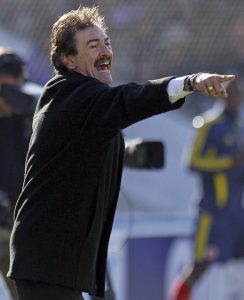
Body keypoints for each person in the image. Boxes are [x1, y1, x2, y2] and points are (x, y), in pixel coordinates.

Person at [7, 6, 235, 300]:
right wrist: (189, 82)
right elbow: (129, 99)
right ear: (68, 59)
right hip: (47, 257)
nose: (105, 50)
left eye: (107, 42)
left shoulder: (80, 99)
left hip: (54, 258)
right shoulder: (72, 94)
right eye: (93, 45)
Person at [169, 80, 244, 300]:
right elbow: (192, 162)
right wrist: (227, 162)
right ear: (220, 96)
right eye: (230, 94)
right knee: (199, 266)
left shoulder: (238, 128)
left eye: (238, 95)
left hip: (236, 212)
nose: (235, 99)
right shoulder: (208, 124)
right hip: (212, 213)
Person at [0, 48, 37, 300]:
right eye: (6, 76)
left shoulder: (28, 116)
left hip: (18, 224)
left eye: (17, 75)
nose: (12, 81)